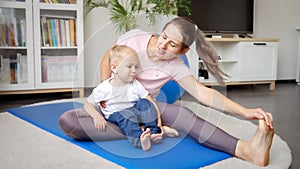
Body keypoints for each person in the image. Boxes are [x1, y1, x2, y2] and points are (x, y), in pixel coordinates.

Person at [59, 17, 274, 166]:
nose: (162, 46)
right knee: (69, 120)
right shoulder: (135, 39)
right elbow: (109, 55)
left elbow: (203, 94)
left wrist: (245, 112)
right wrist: (108, 89)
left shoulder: (175, 66)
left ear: (183, 51)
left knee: (183, 115)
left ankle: (246, 150)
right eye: (163, 37)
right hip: (111, 107)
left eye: (172, 45)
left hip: (144, 107)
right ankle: (146, 130)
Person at [85, 45, 178, 151]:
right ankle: (140, 140)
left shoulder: (135, 84)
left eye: (136, 67)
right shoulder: (103, 88)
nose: (134, 71)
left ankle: (154, 132)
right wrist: (96, 116)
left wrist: (159, 123)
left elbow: (149, 100)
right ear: (114, 68)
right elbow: (88, 104)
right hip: (117, 116)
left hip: (134, 113)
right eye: (129, 66)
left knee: (144, 103)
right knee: (126, 115)